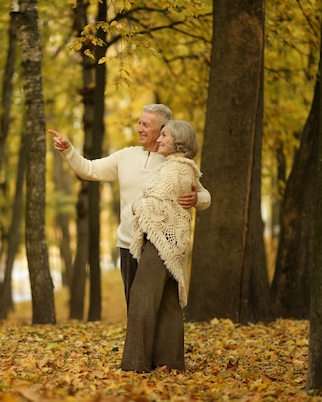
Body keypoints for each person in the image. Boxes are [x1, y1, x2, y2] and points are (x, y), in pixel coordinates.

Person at [48, 104, 210, 305]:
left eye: (146, 124)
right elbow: (89, 170)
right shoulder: (125, 156)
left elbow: (204, 195)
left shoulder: (174, 163)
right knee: (134, 307)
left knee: (159, 307)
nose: (139, 128)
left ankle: (162, 338)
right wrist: (68, 150)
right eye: (139, 123)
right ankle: (138, 339)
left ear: (161, 130)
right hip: (127, 245)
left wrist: (196, 199)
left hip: (158, 247)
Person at [120, 120, 210, 373]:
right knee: (169, 301)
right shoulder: (180, 167)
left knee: (142, 297)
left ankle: (135, 364)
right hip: (171, 241)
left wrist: (137, 206)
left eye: (164, 136)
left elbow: (156, 201)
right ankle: (170, 363)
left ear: (177, 141)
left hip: (162, 242)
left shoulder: (175, 170)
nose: (158, 139)